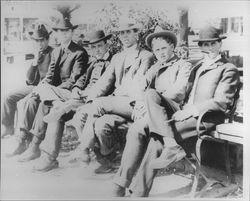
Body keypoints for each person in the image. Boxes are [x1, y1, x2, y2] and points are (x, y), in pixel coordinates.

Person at [111, 25, 240, 197]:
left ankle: (139, 191)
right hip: (185, 115)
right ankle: (135, 186)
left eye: (212, 44)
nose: (208, 48)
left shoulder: (227, 68)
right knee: (150, 122)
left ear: (219, 44)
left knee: (158, 137)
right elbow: (185, 94)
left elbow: (222, 102)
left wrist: (190, 110)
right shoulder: (198, 67)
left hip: (206, 117)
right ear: (200, 46)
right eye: (204, 45)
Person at [7, 11, 89, 160]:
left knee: (44, 99)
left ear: (72, 32)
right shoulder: (56, 51)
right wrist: (41, 88)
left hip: (67, 93)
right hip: (52, 92)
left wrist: (51, 90)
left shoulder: (79, 52)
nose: (63, 34)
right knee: (32, 99)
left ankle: (35, 147)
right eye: (60, 31)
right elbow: (50, 76)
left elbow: (74, 80)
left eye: (66, 31)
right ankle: (26, 141)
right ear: (56, 33)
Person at [28, 30, 113, 171]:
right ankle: (59, 105)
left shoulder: (112, 62)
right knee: (44, 88)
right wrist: (76, 88)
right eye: (93, 47)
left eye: (99, 46)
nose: (96, 50)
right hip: (80, 96)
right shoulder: (93, 61)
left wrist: (84, 94)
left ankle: (49, 157)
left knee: (57, 113)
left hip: (96, 100)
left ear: (106, 45)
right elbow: (82, 78)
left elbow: (107, 85)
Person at [1, 23, 53, 138]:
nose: (39, 44)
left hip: (46, 88)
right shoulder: (37, 54)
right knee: (8, 97)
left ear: (48, 39)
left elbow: (53, 77)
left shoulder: (53, 53)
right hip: (34, 87)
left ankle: (25, 136)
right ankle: (8, 127)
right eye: (37, 41)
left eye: (42, 40)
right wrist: (34, 63)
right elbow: (29, 79)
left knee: (27, 102)